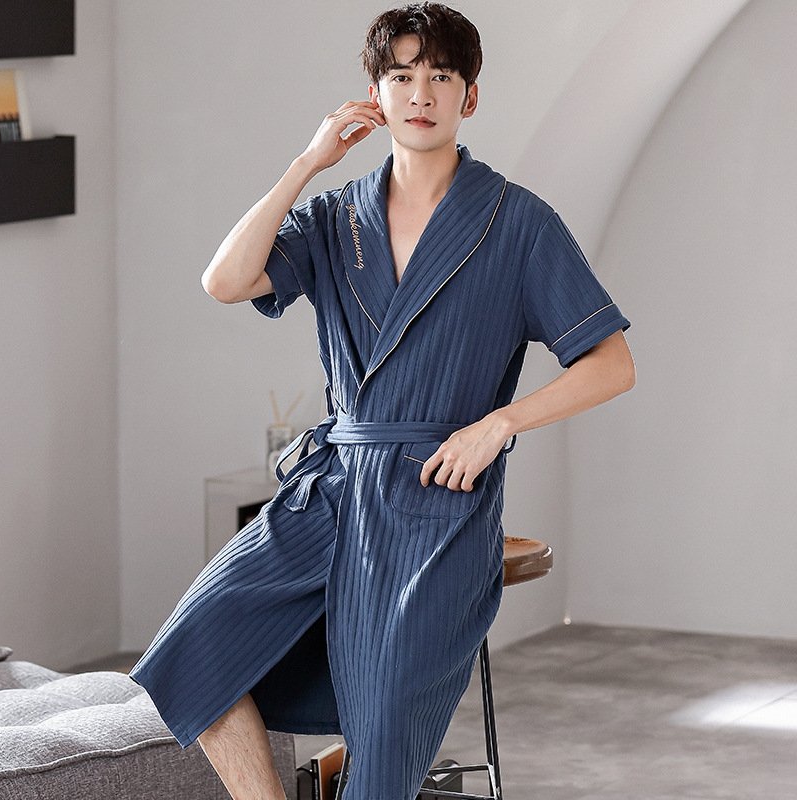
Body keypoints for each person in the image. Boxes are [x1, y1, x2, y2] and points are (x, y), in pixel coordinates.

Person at [128, 3, 636, 799]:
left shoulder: (518, 223)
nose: (420, 93)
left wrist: (499, 424)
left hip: (437, 507)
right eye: (401, 76)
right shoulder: (334, 217)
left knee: (384, 758)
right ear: (375, 93)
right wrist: (307, 163)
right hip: (328, 494)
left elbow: (612, 365)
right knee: (193, 657)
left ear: (470, 96)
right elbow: (224, 281)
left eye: (441, 75)